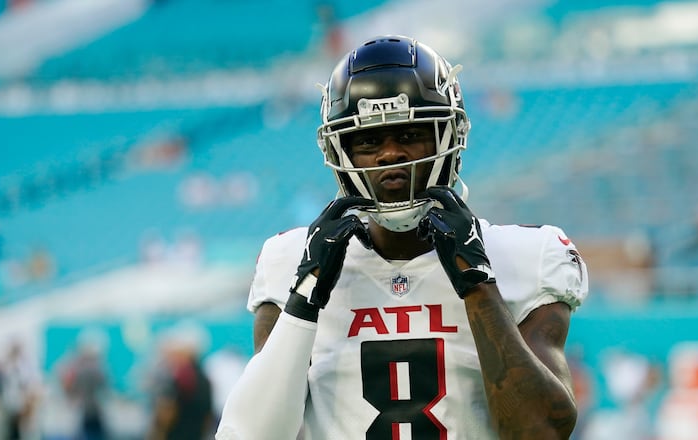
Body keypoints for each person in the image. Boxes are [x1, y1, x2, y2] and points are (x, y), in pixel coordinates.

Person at [217, 35, 589, 439]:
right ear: (340, 153)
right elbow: (250, 435)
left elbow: (540, 432)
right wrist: (305, 299)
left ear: (450, 138)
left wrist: (478, 285)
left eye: (410, 134)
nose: (390, 154)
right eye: (368, 140)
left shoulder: (525, 255)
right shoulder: (289, 259)